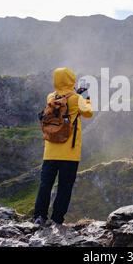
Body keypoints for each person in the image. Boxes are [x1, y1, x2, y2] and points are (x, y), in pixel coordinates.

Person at [33, 67, 93, 226]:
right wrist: (85, 94)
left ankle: (39, 216)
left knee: (45, 185)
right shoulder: (76, 98)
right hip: (70, 153)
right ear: (71, 79)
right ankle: (57, 219)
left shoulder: (50, 97)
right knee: (64, 187)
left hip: (50, 152)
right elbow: (88, 113)